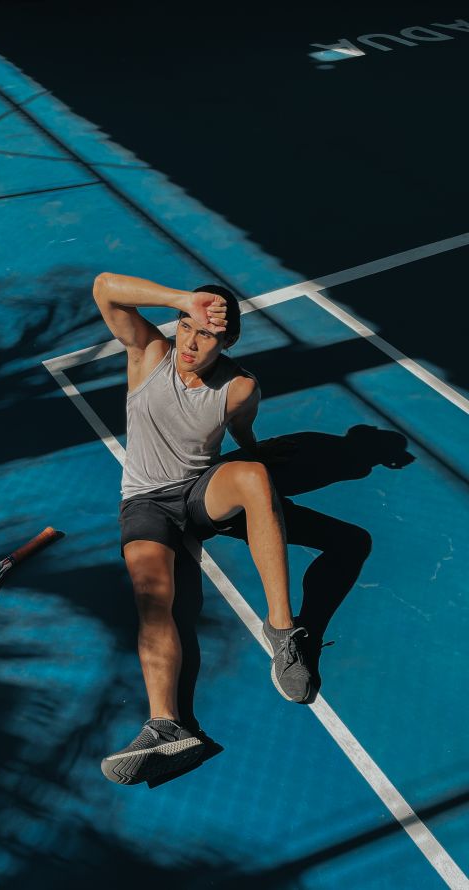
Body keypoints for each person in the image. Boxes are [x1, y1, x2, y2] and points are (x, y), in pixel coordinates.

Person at [93, 273, 312, 786]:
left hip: (198, 494)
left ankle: (281, 631)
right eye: (185, 326)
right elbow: (104, 286)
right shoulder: (149, 353)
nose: (191, 342)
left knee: (256, 478)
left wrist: (256, 453)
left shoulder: (240, 387)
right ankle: (166, 726)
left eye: (207, 334)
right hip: (144, 503)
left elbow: (238, 430)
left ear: (228, 340)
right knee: (155, 598)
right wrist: (181, 299)